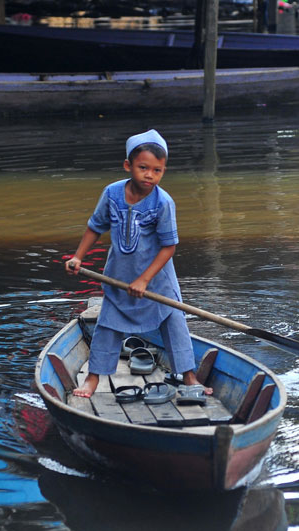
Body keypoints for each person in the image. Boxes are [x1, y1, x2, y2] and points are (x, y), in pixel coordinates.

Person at [65, 129, 213, 399]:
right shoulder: (112, 193)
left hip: (157, 279)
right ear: (128, 166)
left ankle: (189, 377)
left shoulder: (163, 202)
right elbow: (95, 226)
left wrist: (144, 280)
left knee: (174, 321)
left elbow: (169, 247)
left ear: (163, 171)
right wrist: (78, 257)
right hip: (119, 276)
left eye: (157, 170)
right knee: (107, 324)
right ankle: (93, 378)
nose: (149, 175)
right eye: (143, 168)